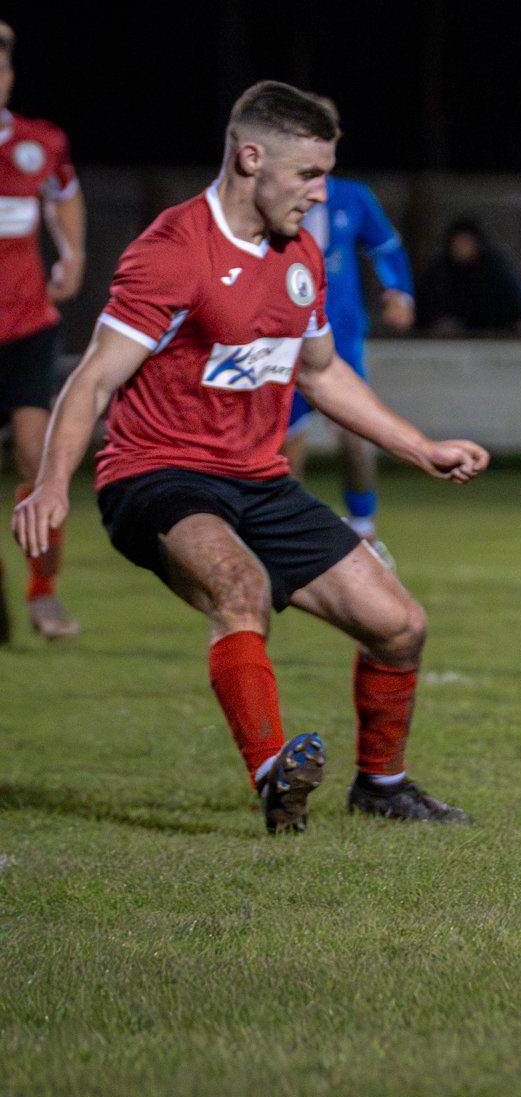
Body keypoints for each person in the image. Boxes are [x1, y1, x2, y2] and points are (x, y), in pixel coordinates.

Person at [10, 82, 489, 833]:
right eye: (308, 175)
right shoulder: (172, 252)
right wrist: (49, 487)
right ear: (251, 156)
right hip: (156, 474)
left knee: (400, 624)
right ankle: (275, 774)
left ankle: (383, 785)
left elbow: (322, 370)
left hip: (259, 480)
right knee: (243, 587)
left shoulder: (301, 254)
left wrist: (418, 446)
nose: (321, 193)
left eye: (327, 174)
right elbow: (95, 374)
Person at [281, 97, 415, 564]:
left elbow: (387, 248)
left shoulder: (353, 198)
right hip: (282, 340)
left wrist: (400, 292)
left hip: (340, 339)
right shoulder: (271, 197)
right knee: (283, 447)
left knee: (356, 433)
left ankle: (364, 531)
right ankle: (284, 538)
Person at [0, 20, 87, 642]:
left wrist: (74, 254)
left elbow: (66, 195)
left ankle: (43, 592)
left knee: (36, 454)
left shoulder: (40, 141)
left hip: (27, 323)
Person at [417, 219, 521, 336]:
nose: (461, 248)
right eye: (457, 243)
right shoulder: (440, 269)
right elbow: (425, 307)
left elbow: (516, 304)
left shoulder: (495, 268)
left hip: (496, 333)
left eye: (465, 242)